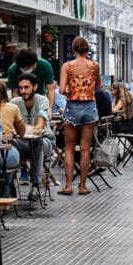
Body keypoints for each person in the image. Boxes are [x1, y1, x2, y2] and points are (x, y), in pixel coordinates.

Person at [57, 35, 100, 195]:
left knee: (69, 149)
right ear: (87, 49)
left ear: (73, 49)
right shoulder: (94, 65)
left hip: (72, 106)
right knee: (85, 149)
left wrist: (70, 89)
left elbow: (61, 90)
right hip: (90, 106)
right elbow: (99, 85)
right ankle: (83, 186)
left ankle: (68, 186)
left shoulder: (67, 66)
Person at [10, 72, 54, 200]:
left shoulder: (42, 100)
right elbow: (11, 127)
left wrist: (23, 129)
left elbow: (39, 126)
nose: (23, 91)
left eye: (26, 87)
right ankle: (9, 185)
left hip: (44, 142)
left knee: (37, 142)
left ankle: (35, 185)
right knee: (8, 146)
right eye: (21, 88)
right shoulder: (15, 102)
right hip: (22, 142)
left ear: (34, 87)